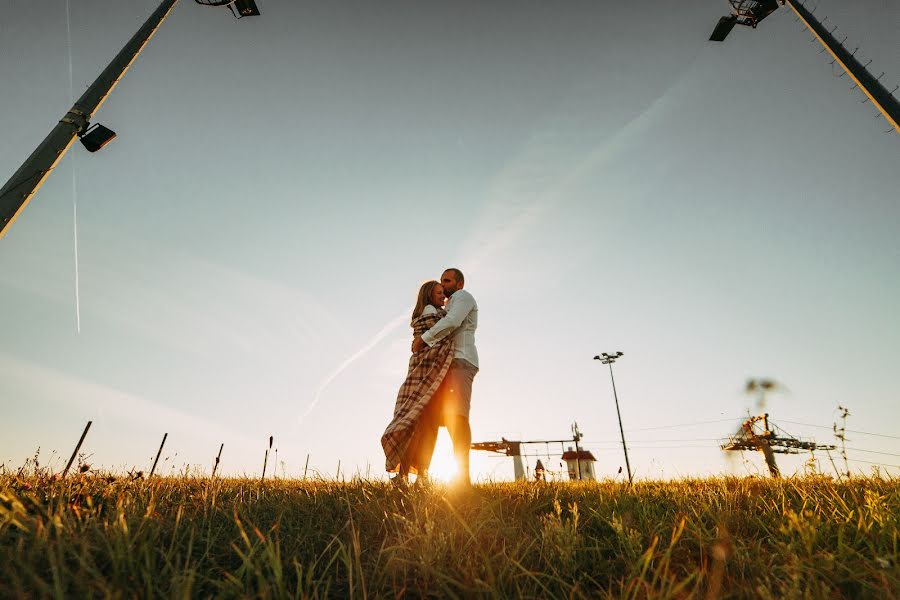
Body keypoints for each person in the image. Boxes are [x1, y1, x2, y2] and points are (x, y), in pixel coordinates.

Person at [381, 280, 455, 484]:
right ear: (429, 295)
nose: (444, 296)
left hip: (423, 370)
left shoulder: (431, 312)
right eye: (439, 292)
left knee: (419, 425)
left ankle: (407, 474)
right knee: (426, 425)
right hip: (427, 372)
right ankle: (418, 474)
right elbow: (445, 331)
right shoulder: (433, 312)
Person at [412, 268, 479, 486]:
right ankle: (422, 475)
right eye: (442, 281)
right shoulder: (446, 304)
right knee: (430, 417)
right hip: (445, 366)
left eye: (447, 281)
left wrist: (424, 338)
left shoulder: (462, 297)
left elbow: (452, 322)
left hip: (460, 362)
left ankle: (463, 477)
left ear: (459, 284)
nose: (444, 285)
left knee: (457, 418)